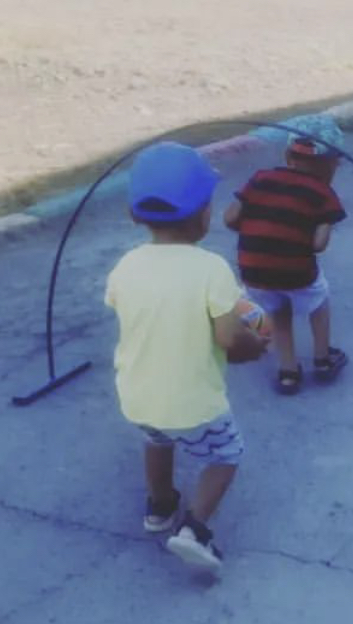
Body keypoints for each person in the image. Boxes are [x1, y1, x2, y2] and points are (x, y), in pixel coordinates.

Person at [104, 141, 267, 573]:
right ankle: (195, 529)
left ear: (134, 214)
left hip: (136, 396)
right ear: (204, 214)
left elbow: (132, 309)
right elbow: (229, 338)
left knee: (157, 438)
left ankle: (160, 507)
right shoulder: (211, 269)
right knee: (226, 454)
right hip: (194, 404)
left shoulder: (126, 265)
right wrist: (255, 346)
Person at [224, 135, 348, 395]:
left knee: (279, 310)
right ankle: (323, 359)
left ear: (288, 157)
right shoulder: (323, 193)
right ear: (328, 165)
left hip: (254, 270)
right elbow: (318, 244)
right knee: (319, 299)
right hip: (297, 272)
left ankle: (288, 373)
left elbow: (231, 217)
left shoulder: (260, 179)